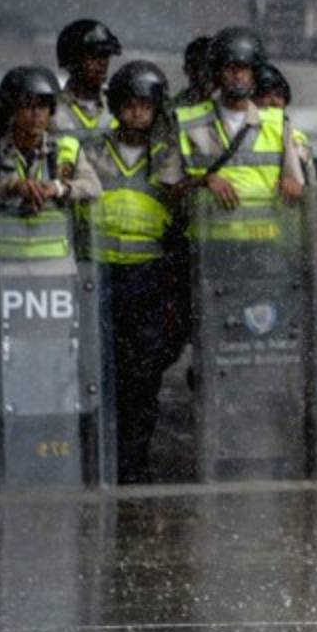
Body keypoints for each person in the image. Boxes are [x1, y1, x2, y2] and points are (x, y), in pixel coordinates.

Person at [81, 60, 182, 484]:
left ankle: (133, 463)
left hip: (148, 276)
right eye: (130, 104)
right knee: (98, 372)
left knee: (142, 378)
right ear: (115, 105)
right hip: (99, 275)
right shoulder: (92, 150)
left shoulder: (168, 156)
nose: (138, 113)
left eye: (146, 105)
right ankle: (96, 459)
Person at [165, 26, 307, 223]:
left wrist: (291, 184)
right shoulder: (186, 122)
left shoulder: (278, 124)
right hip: (208, 247)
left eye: (244, 68)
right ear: (217, 73)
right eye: (230, 67)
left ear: (254, 73)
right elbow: (169, 194)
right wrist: (204, 182)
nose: (238, 75)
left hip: (266, 247)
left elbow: (299, 189)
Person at [0, 65, 101, 211]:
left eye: (42, 107)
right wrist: (10, 187)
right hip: (4, 233)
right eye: (28, 106)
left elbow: (94, 188)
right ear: (12, 109)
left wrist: (59, 188)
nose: (36, 114)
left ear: (51, 111)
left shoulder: (65, 149)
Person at [52, 19, 123, 143]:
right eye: (94, 56)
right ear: (72, 60)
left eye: (106, 55)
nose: (103, 63)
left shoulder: (119, 109)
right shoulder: (50, 111)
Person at [171, 35, 214, 109]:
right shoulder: (171, 110)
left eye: (212, 67)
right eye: (201, 65)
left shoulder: (231, 107)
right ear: (187, 70)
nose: (208, 74)